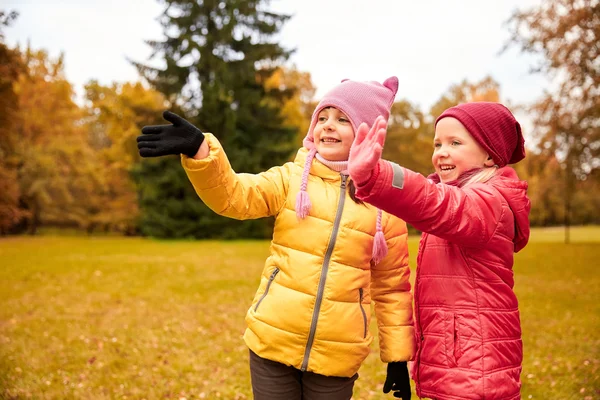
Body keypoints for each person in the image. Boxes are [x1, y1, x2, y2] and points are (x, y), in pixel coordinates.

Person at [137, 77, 416, 400]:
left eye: (342, 120)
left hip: (338, 353)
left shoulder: (385, 204)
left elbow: (392, 287)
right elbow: (235, 196)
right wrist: (201, 151)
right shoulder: (290, 179)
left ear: (368, 132)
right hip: (273, 339)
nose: (327, 126)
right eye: (322, 117)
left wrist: (397, 356)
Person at [347, 102, 531, 400]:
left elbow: (436, 203)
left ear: (488, 155)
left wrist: (378, 176)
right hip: (457, 359)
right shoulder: (464, 197)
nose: (441, 152)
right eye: (438, 143)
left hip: (475, 365)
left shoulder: (487, 203)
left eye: (455, 143)